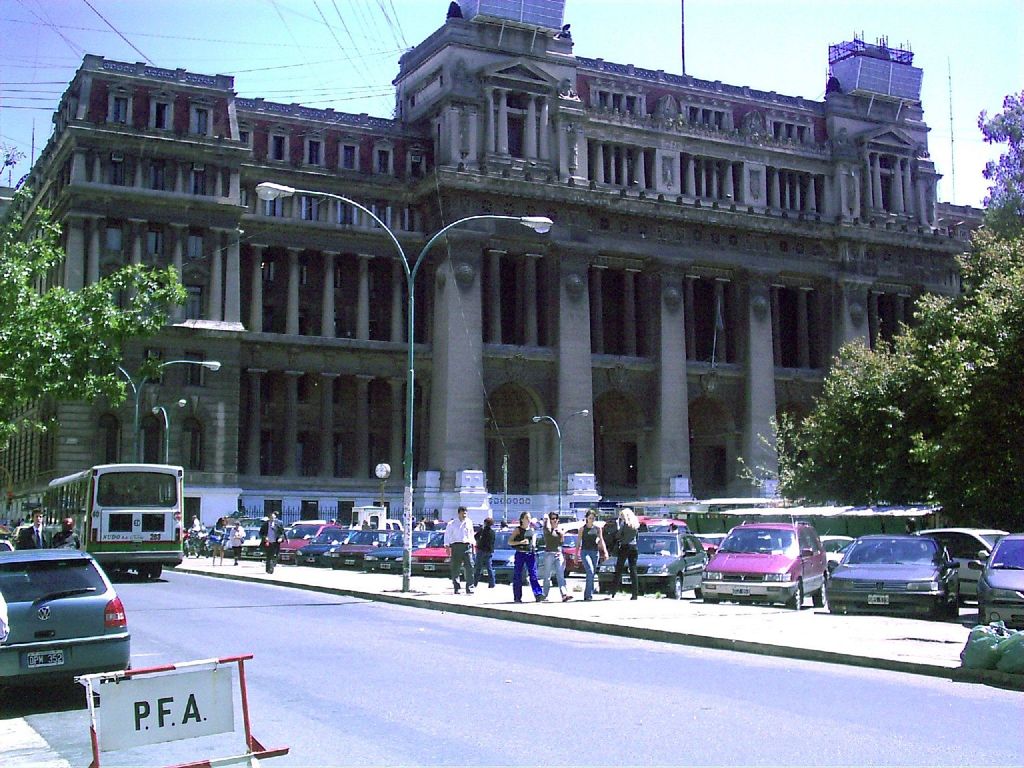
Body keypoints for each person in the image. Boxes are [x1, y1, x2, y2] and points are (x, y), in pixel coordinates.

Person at [508, 512, 544, 603]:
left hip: (530, 554)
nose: (528, 519)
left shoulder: (532, 529)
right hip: (520, 553)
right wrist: (520, 542)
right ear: (522, 519)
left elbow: (534, 540)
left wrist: (534, 545)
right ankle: (517, 597)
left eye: (529, 518)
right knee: (518, 575)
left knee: (533, 574)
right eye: (527, 518)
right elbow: (510, 542)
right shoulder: (518, 530)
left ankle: (538, 594)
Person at [540, 512, 573, 602]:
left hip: (558, 553)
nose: (554, 520)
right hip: (549, 554)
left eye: (556, 519)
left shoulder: (559, 530)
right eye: (553, 518)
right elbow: (546, 527)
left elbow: (561, 543)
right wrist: (546, 518)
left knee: (560, 575)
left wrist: (562, 534)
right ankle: (544, 595)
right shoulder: (547, 530)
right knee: (547, 575)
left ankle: (564, 594)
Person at [444, 506, 476, 594]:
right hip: (456, 546)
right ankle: (456, 587)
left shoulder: (469, 522)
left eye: (466, 513)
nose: (464, 515)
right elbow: (447, 535)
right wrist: (447, 546)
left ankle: (470, 587)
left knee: (470, 566)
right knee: (456, 568)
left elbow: (471, 534)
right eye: (463, 513)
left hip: (467, 546)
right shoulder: (452, 523)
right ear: (459, 513)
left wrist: (473, 545)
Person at [611, 507, 640, 599]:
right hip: (634, 547)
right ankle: (635, 594)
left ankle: (613, 591)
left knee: (619, 569)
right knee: (633, 570)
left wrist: (618, 528)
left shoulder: (624, 524)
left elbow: (618, 535)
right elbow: (637, 537)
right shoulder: (636, 525)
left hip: (625, 546)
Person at [579, 510, 608, 601]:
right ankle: (588, 595)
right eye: (590, 518)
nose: (591, 520)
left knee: (592, 573)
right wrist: (576, 555)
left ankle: (589, 593)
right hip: (585, 552)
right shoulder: (582, 529)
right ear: (586, 518)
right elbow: (578, 542)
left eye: (593, 518)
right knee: (590, 571)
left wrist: (605, 552)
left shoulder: (597, 528)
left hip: (595, 552)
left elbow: (601, 540)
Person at [473, 516, 496, 588]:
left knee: (478, 568)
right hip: (489, 551)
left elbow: (475, 537)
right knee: (489, 568)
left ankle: (475, 583)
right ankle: (492, 583)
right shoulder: (493, 532)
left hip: (481, 550)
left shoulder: (483, 531)